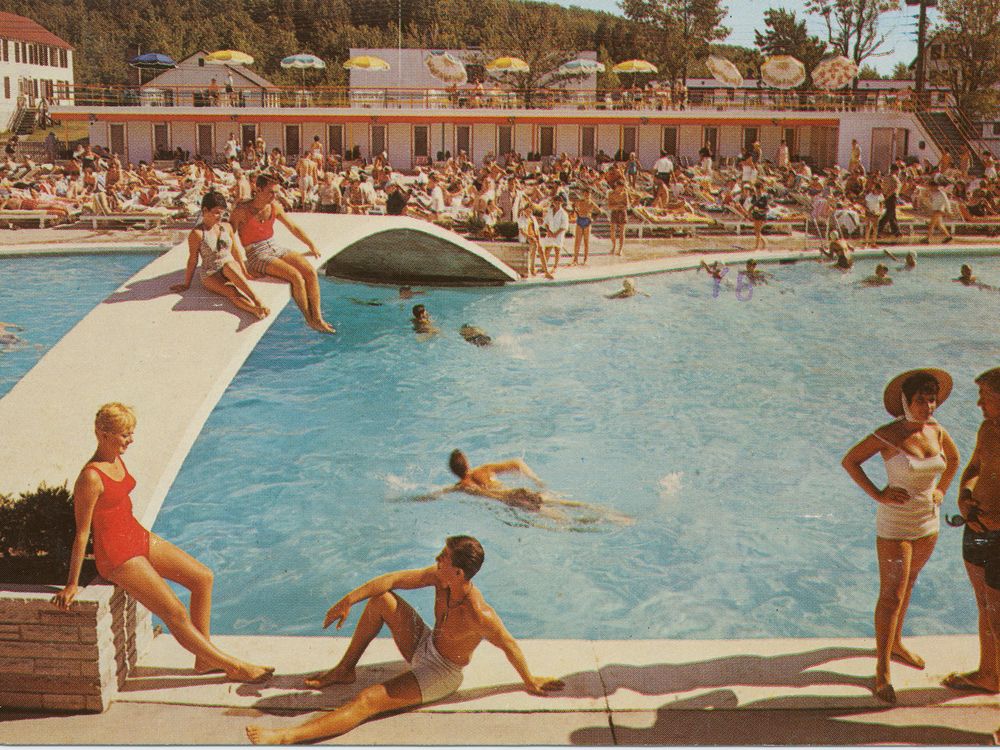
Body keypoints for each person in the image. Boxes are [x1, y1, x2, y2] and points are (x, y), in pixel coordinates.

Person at [245, 536, 563, 745]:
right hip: (425, 644)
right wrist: (348, 600)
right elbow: (391, 580)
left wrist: (529, 680)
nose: (437, 558)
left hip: (441, 674)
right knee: (381, 599)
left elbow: (509, 644)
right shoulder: (441, 580)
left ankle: (287, 737)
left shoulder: (479, 615)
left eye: (444, 557)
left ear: (460, 574)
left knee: (369, 700)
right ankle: (344, 669)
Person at [53, 403, 274, 683]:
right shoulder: (91, 477)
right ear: (103, 434)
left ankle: (204, 659)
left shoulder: (117, 459)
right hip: (117, 554)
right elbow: (82, 533)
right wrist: (72, 584)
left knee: (202, 578)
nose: (130, 440)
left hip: (137, 536)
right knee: (175, 613)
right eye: (124, 434)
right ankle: (235, 667)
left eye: (131, 433)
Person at [842, 369, 959, 703]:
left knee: (908, 584)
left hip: (928, 522)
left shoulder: (937, 430)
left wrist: (942, 491)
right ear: (905, 401)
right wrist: (878, 495)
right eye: (920, 399)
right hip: (895, 523)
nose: (928, 406)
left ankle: (896, 644)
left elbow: (953, 459)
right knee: (891, 594)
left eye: (932, 398)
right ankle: (881, 670)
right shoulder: (888, 435)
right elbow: (850, 461)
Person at [945, 368, 1000, 700]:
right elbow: (975, 468)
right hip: (976, 526)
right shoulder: (988, 429)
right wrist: (964, 499)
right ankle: (988, 674)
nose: (979, 403)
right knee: (984, 606)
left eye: (986, 396)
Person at [229, 173, 335, 334]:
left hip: (274, 246)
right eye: (270, 192)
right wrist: (241, 266)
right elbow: (229, 238)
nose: (274, 196)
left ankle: (319, 318)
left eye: (276, 192)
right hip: (256, 253)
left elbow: (293, 227)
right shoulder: (241, 210)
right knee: (296, 277)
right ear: (258, 189)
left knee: (310, 272)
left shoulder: (274, 207)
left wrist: (311, 244)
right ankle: (309, 319)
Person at [170, 192, 269, 320]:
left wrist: (244, 271)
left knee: (228, 265)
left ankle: (258, 301)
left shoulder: (226, 227)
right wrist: (186, 284)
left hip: (229, 267)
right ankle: (254, 310)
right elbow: (193, 260)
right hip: (210, 273)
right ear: (205, 210)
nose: (220, 216)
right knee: (231, 292)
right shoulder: (198, 234)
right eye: (217, 212)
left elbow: (235, 251)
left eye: (222, 212)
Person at [540, 194, 569, 274]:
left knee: (557, 250)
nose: (557, 203)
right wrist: (548, 231)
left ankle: (555, 267)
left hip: (558, 234)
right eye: (555, 201)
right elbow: (545, 223)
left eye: (558, 202)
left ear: (561, 202)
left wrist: (556, 234)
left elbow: (564, 226)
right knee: (547, 249)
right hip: (550, 233)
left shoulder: (563, 213)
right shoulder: (550, 211)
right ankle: (544, 266)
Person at [571, 188, 597, 266]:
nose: (586, 195)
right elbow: (573, 206)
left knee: (586, 242)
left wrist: (593, 218)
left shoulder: (592, 203)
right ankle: (575, 259)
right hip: (580, 220)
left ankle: (585, 259)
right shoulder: (579, 202)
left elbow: (599, 211)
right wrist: (576, 212)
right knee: (577, 241)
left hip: (587, 221)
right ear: (583, 194)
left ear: (590, 195)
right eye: (585, 194)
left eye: (588, 194)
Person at [607, 180, 629, 257]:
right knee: (612, 231)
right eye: (619, 188)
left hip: (622, 212)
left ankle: (620, 249)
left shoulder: (624, 194)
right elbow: (609, 206)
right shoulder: (611, 194)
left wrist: (617, 205)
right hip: (614, 212)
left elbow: (627, 206)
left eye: (622, 188)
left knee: (622, 232)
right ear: (616, 187)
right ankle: (614, 246)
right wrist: (618, 205)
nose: (620, 190)